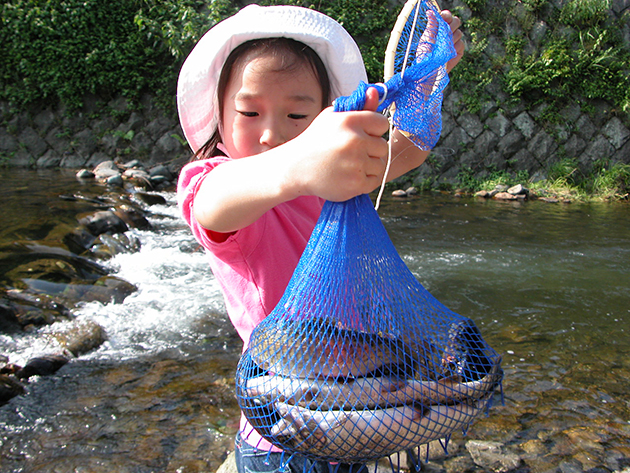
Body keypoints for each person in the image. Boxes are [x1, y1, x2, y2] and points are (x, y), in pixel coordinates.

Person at [177, 4, 463, 473]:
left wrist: (430, 75)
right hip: (283, 432)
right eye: (249, 111)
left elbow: (402, 152)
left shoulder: (337, 176)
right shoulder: (220, 181)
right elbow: (211, 203)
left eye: (297, 114)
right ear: (219, 116)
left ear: (325, 117)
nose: (271, 134)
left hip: (355, 415)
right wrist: (300, 164)